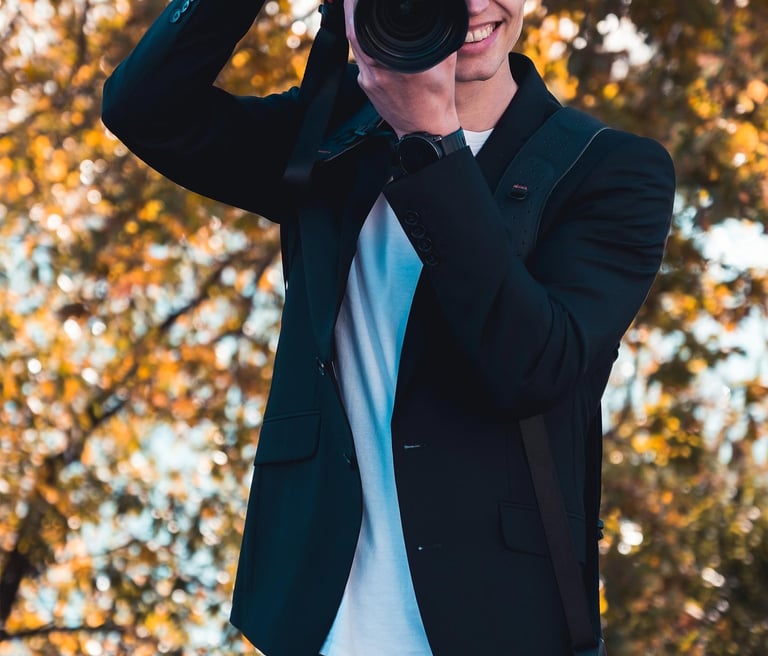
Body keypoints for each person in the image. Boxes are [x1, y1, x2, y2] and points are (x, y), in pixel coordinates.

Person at [101, 0, 676, 654]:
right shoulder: (337, 130)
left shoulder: (611, 169)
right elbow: (144, 110)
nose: (471, 4)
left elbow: (530, 368)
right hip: (314, 622)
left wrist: (432, 141)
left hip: (498, 623)